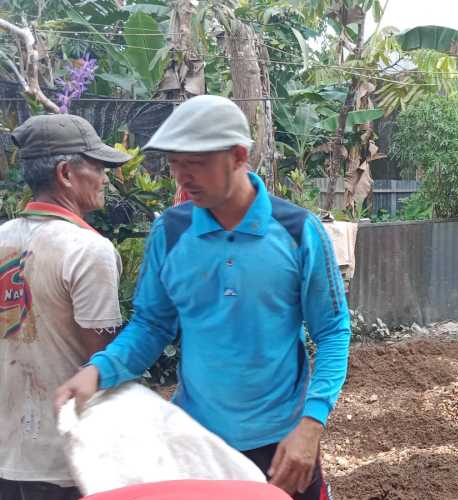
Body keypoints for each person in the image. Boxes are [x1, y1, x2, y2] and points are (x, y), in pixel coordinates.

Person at [55, 95, 351, 500]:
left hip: (283, 444)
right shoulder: (171, 234)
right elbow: (151, 325)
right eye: (176, 164)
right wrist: (99, 370)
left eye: (195, 164)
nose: (182, 178)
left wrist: (312, 424)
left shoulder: (299, 231)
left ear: (238, 156)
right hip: (197, 443)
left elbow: (333, 331)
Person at [1, 114, 131, 500]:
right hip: (67, 462)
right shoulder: (88, 250)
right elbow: (102, 362)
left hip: (6, 453)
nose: (106, 178)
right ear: (66, 174)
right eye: (99, 167)